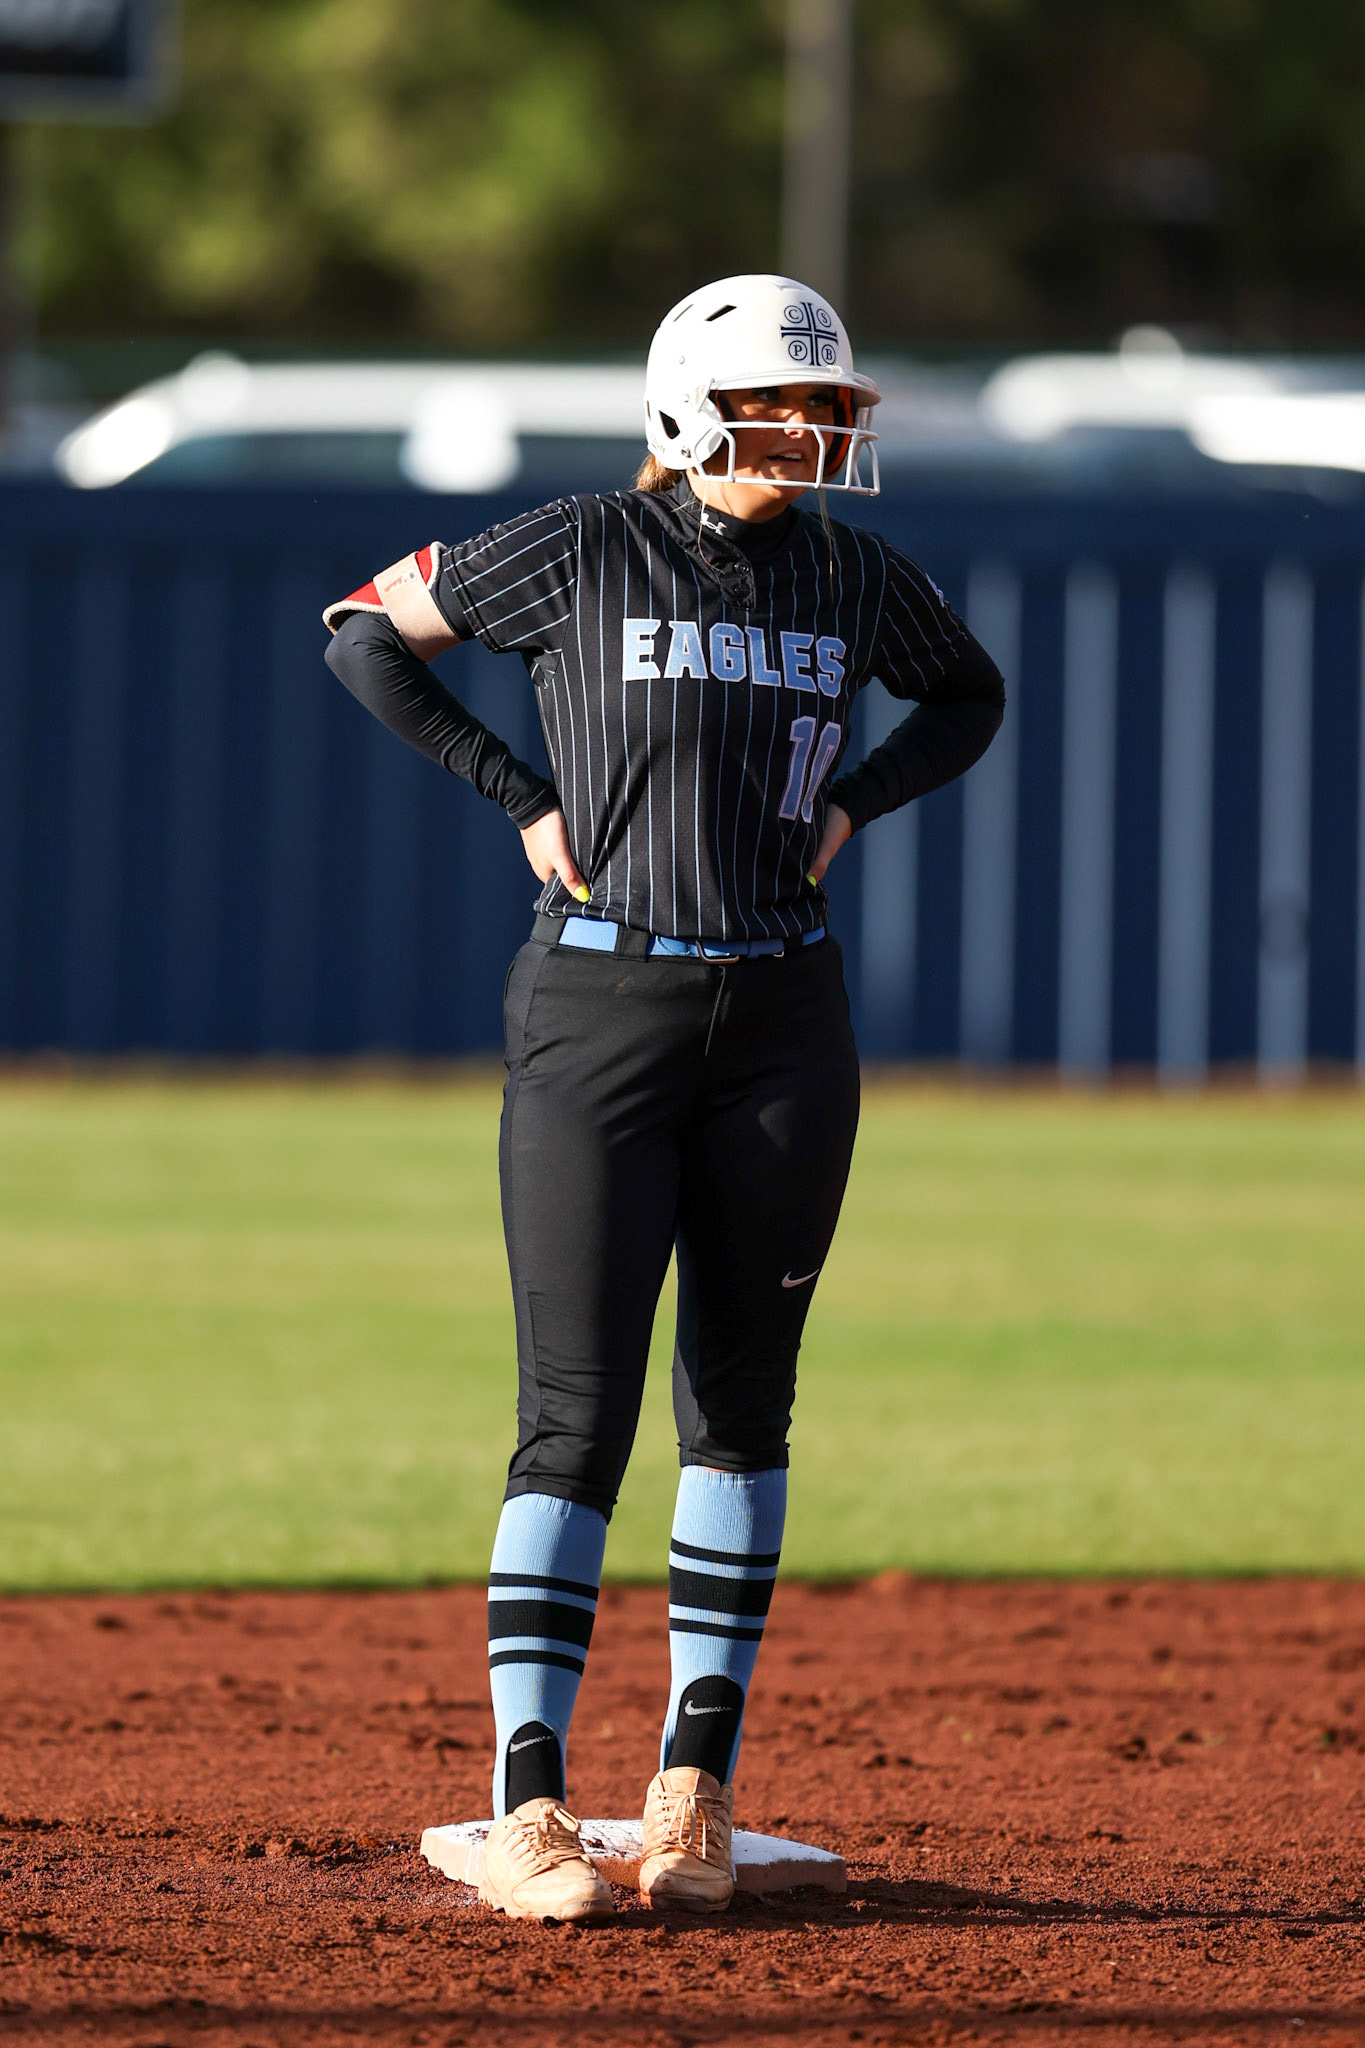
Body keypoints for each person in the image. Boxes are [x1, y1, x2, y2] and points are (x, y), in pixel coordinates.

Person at [323, 273, 1005, 1924]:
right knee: (573, 1417)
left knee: (742, 1408)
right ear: (690, 412)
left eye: (827, 407)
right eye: (783, 407)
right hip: (597, 1004)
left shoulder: (849, 570)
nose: (813, 433)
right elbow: (362, 633)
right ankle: (530, 1804)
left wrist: (852, 801)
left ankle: (693, 1787)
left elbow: (967, 694)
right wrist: (514, 791)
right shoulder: (580, 544)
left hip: (783, 1009)